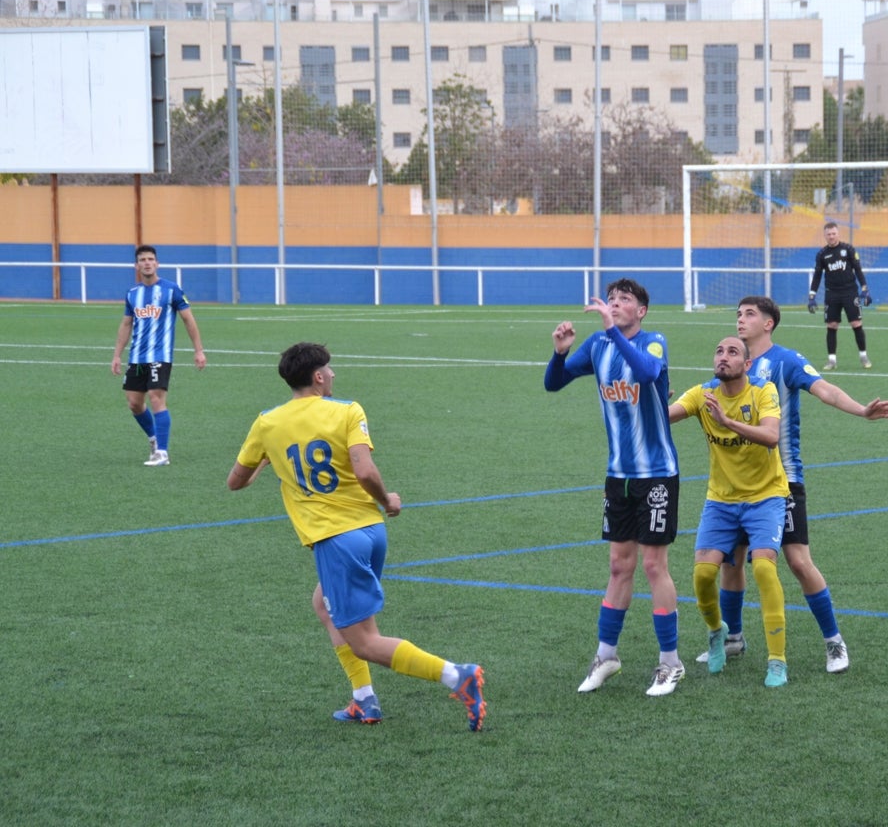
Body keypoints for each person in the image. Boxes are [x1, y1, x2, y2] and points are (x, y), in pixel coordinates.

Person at [226, 342, 486, 730]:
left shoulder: (267, 423)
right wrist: (387, 501)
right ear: (317, 377)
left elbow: (235, 482)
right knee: (323, 604)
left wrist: (267, 457)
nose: (333, 375)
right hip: (370, 531)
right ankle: (364, 700)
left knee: (365, 641)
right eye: (329, 370)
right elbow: (364, 470)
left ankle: (457, 676)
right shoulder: (348, 410)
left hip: (335, 539)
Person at [694, 297, 888, 674]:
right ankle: (734, 637)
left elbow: (825, 390)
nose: (741, 319)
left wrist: (861, 410)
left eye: (749, 314)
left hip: (782, 481)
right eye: (738, 314)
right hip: (736, 485)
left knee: (798, 561)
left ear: (769, 323)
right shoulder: (731, 364)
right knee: (732, 562)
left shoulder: (785, 361)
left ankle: (833, 641)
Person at [544, 278, 686, 697]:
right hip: (618, 476)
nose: (615, 304)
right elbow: (554, 383)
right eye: (612, 299)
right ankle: (607, 656)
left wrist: (609, 329)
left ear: (640, 311)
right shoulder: (598, 346)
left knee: (653, 566)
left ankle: (670, 663)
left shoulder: (654, 341)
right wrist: (561, 352)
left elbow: (646, 372)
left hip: (657, 473)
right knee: (618, 566)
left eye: (624, 301)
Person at [669, 336, 792, 687]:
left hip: (766, 496)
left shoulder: (762, 392)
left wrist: (726, 421)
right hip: (721, 500)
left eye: (733, 352)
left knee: (765, 569)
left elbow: (770, 437)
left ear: (747, 364)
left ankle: (777, 660)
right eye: (719, 351)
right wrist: (650, 400)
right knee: (702, 576)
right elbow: (663, 419)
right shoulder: (701, 394)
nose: (723, 357)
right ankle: (716, 631)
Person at [110, 244, 206, 466]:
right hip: (136, 358)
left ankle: (162, 453)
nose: (147, 263)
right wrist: (117, 355)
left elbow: (188, 319)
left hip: (160, 355)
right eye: (142, 260)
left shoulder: (171, 289)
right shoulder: (132, 294)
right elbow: (126, 324)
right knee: (134, 403)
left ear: (157, 263)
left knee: (156, 397)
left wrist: (198, 350)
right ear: (136, 265)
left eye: (150, 259)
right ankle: (154, 438)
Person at [809, 221, 872, 370]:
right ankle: (832, 360)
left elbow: (858, 269)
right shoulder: (822, 254)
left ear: (838, 234)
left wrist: (864, 289)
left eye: (834, 233)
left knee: (856, 324)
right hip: (832, 294)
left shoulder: (848, 249)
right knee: (831, 325)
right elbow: (817, 276)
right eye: (828, 234)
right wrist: (812, 296)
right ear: (825, 236)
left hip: (850, 292)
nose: (831, 237)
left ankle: (863, 356)